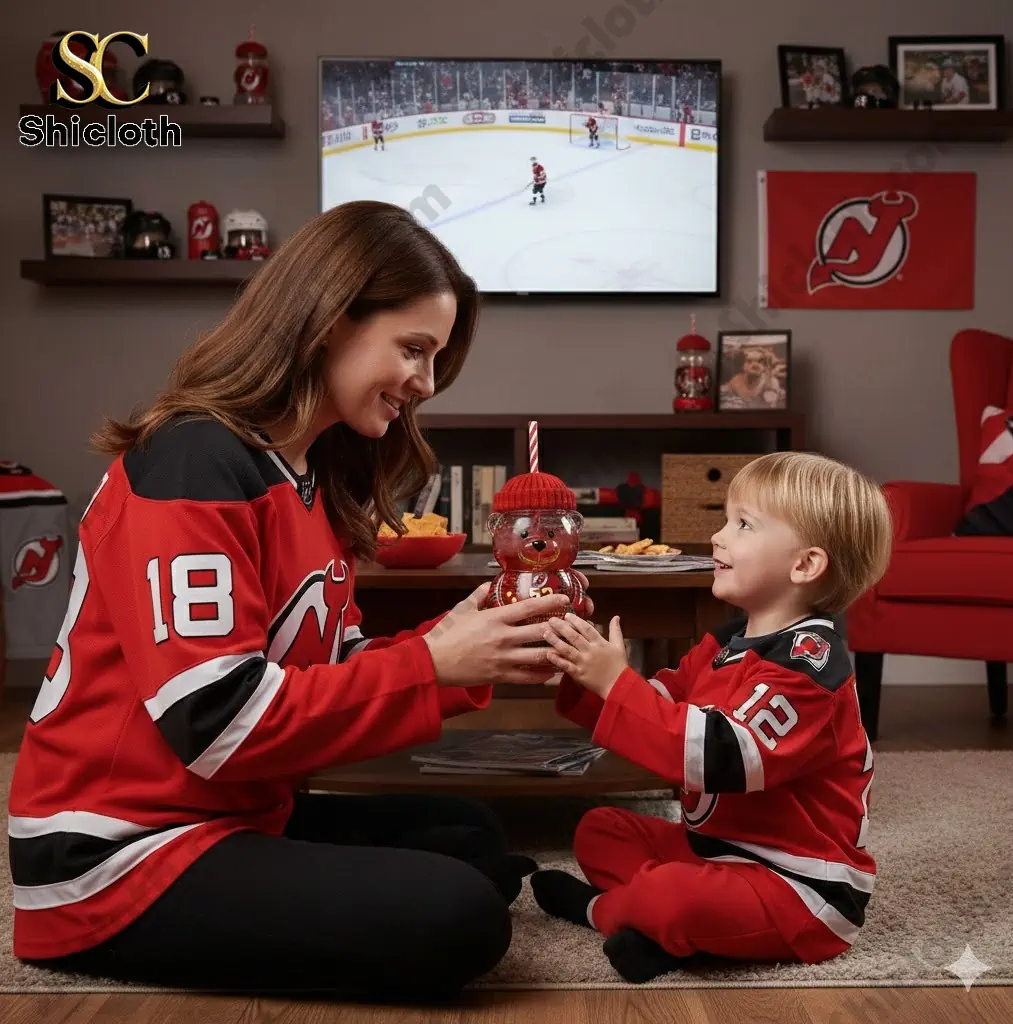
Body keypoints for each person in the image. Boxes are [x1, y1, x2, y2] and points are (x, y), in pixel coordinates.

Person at [9, 200, 590, 999]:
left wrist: (467, 644)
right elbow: (216, 724)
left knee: (472, 836)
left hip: (230, 812)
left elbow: (330, 670)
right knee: (460, 916)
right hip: (116, 847)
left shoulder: (311, 475)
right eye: (414, 351)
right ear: (328, 322)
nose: (423, 384)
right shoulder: (193, 460)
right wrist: (429, 662)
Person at [528, 451, 892, 982]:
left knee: (666, 893)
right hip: (714, 852)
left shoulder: (811, 667)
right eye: (726, 519)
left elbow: (716, 754)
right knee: (599, 829)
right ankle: (678, 931)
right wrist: (578, 669)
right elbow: (659, 703)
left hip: (798, 886)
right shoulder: (726, 642)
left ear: (805, 565)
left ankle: (604, 912)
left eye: (742, 525)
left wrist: (613, 680)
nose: (718, 537)